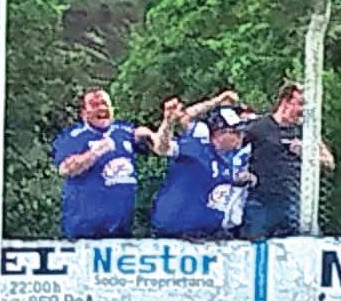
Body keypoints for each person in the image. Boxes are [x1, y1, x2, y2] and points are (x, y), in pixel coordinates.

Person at [142, 90, 245, 238]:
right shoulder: (196, 147)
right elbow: (162, 148)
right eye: (235, 132)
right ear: (220, 133)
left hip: (207, 231)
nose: (240, 136)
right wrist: (168, 121)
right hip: (175, 230)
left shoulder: (230, 157)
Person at [231, 84, 328, 240]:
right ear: (285, 102)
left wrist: (306, 154)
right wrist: (240, 173)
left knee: (293, 245)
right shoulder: (259, 126)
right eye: (300, 103)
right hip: (260, 202)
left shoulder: (305, 131)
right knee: (254, 244)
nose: (302, 110)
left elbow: (329, 162)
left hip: (292, 203)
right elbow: (233, 150)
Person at [50, 89, 142, 240]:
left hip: (122, 229)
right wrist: (94, 153)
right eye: (94, 105)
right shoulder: (73, 137)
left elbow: (158, 147)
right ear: (84, 113)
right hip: (85, 230)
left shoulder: (124, 132)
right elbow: (65, 169)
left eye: (104, 103)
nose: (101, 108)